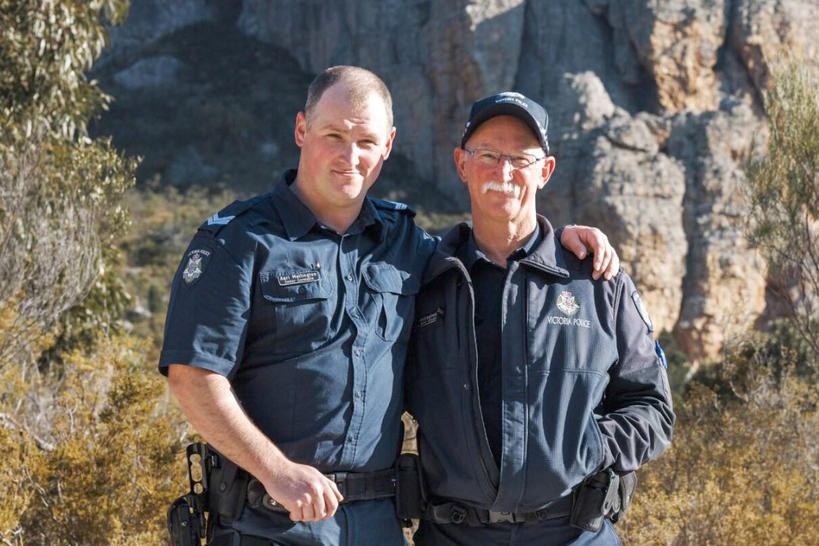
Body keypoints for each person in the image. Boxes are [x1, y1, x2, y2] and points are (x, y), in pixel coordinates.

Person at [159, 67, 619, 546]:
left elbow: (493, 257)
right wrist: (276, 472)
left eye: (365, 141)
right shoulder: (239, 241)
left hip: (378, 524)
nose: (349, 157)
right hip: (268, 521)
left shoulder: (408, 245)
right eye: (333, 135)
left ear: (388, 144)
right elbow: (193, 377)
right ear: (301, 130)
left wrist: (562, 241)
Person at [405, 92, 675, 546]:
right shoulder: (424, 280)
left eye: (521, 159)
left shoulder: (598, 281)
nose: (503, 172)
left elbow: (653, 409)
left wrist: (589, 446)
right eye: (488, 154)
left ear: (545, 172)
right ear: (462, 164)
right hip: (453, 535)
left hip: (574, 534)